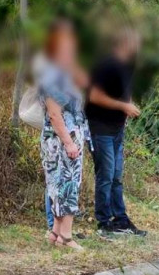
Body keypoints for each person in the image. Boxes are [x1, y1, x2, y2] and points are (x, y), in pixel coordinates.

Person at [86, 28, 146, 236]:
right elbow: (94, 96)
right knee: (106, 175)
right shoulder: (106, 65)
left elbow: (125, 91)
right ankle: (103, 221)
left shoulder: (128, 66)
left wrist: (128, 105)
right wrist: (123, 107)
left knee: (117, 176)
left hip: (117, 128)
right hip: (100, 126)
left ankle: (120, 219)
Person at [39, 18, 88, 251]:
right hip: (61, 138)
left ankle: (56, 233)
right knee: (66, 185)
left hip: (69, 135)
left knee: (61, 184)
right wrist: (69, 142)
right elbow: (55, 114)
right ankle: (67, 236)